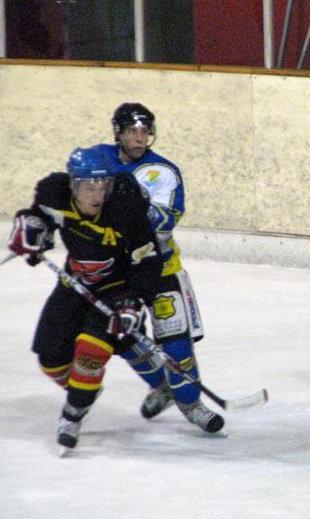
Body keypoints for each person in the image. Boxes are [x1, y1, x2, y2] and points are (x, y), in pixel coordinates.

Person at [8, 146, 223, 450]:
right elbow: (38, 216)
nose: (97, 194)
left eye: (103, 186)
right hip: (75, 284)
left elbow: (146, 262)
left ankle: (74, 412)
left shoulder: (125, 205)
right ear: (73, 185)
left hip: (116, 287)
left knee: (93, 351)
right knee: (50, 357)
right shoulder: (54, 192)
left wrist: (130, 301)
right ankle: (89, 388)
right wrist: (31, 230)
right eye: (89, 187)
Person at [91, 102, 223, 433]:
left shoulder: (162, 171)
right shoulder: (98, 159)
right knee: (122, 336)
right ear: (118, 133)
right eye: (132, 131)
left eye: (145, 131)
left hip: (161, 268)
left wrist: (132, 203)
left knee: (175, 342)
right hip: (117, 272)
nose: (139, 138)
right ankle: (163, 385)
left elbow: (163, 224)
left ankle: (191, 405)